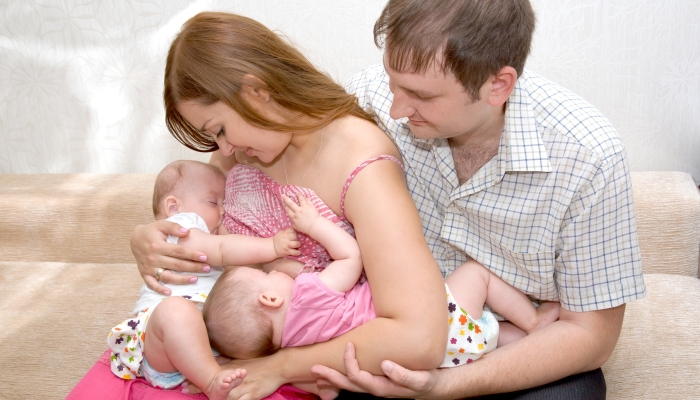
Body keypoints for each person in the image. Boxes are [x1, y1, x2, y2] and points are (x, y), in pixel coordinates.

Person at [71, 10, 448, 400]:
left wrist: (277, 367)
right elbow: (198, 227)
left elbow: (420, 337)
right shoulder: (242, 152)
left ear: (256, 91)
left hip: (282, 369)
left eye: (218, 129)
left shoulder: (361, 163)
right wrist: (148, 236)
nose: (223, 149)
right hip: (198, 351)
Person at [310, 0, 646, 398]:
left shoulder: (588, 157)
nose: (397, 108)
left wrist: (445, 385)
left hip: (515, 347)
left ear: (497, 86)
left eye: (422, 95)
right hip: (393, 330)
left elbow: (590, 336)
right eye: (392, 81)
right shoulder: (369, 101)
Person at [204, 193, 559, 371]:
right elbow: (350, 257)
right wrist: (312, 225)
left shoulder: (295, 349)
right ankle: (534, 321)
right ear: (269, 299)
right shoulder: (309, 294)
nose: (275, 272)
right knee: (477, 274)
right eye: (267, 276)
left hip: (444, 362)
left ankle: (529, 338)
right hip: (437, 324)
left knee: (491, 338)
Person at [106, 160, 301, 399]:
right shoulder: (177, 228)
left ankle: (213, 367)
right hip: (161, 342)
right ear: (173, 207)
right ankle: (211, 382)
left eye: (224, 204)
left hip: (205, 343)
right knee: (176, 311)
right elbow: (220, 249)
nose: (221, 211)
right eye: (213, 202)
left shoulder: (207, 228)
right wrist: (271, 246)